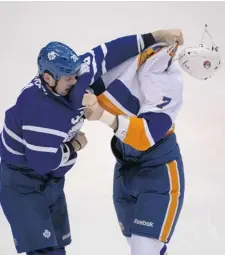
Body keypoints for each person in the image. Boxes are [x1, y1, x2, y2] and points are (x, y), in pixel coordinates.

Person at [0, 29, 183, 255]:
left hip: (53, 182)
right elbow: (42, 162)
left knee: (57, 248)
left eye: (76, 74)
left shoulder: (71, 76)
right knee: (45, 250)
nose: (77, 82)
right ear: (48, 78)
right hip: (23, 184)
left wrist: (153, 37)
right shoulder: (39, 113)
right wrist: (74, 146)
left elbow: (107, 53)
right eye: (69, 78)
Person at [83, 31, 221, 255]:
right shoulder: (142, 59)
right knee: (139, 247)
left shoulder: (169, 87)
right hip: (125, 170)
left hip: (159, 173)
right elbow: (101, 59)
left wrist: (102, 115)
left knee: (144, 249)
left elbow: (143, 137)